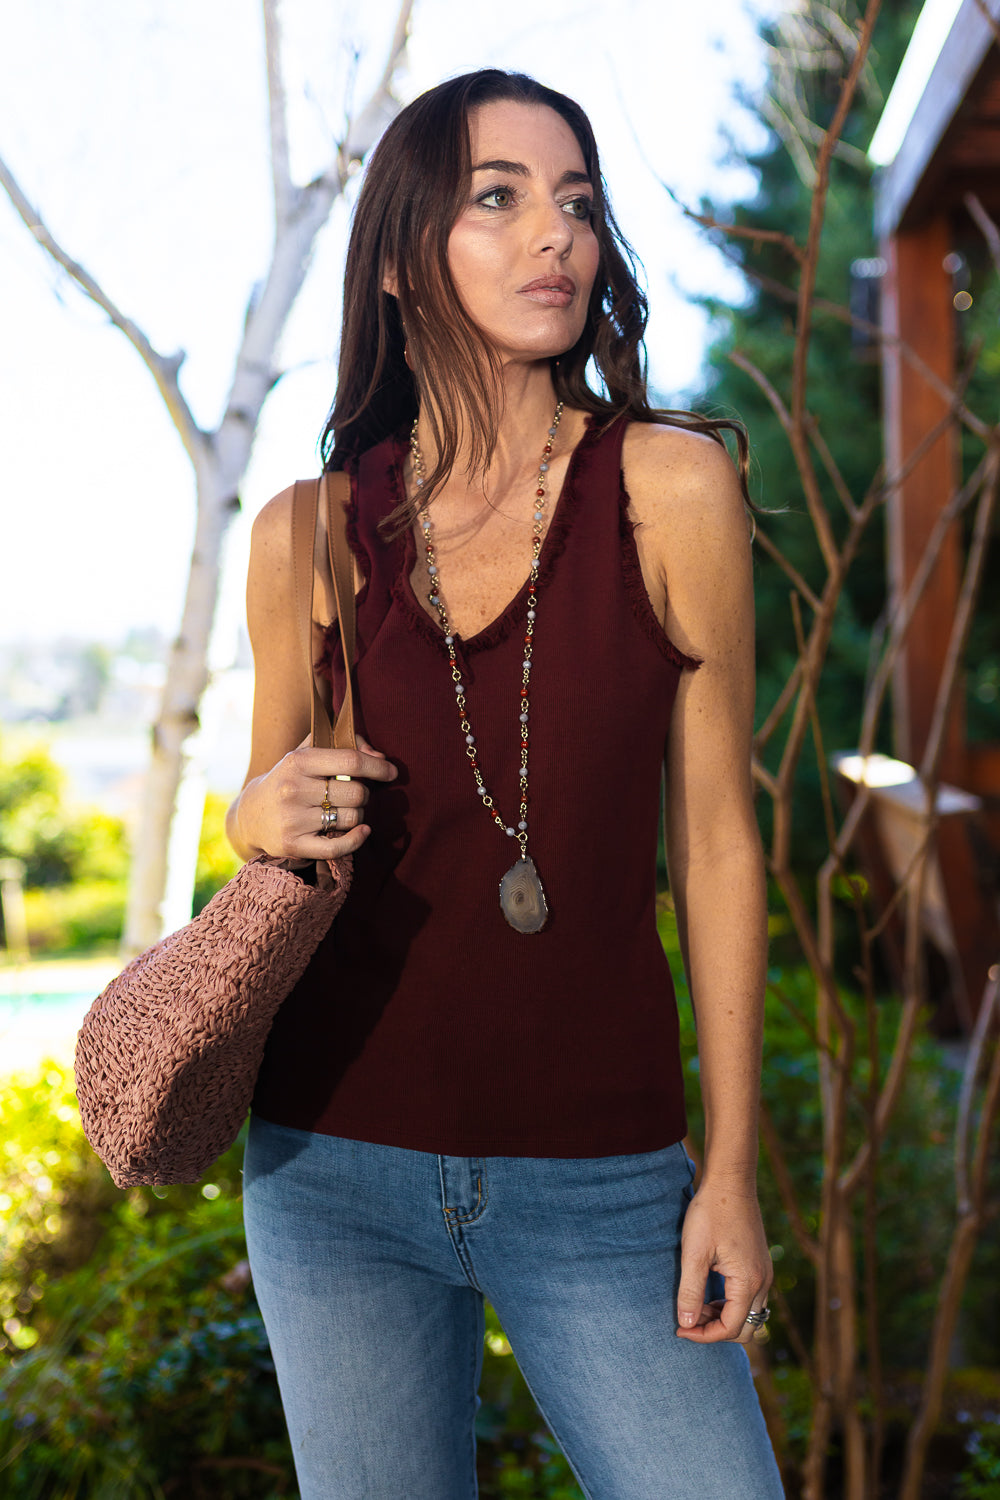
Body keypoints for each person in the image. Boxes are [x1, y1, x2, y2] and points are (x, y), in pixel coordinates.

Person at [226, 67, 783, 1500]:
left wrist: (730, 1171)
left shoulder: (668, 490)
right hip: (331, 1166)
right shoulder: (304, 534)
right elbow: (261, 823)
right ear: (402, 259)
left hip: (603, 1177)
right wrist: (253, 814)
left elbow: (718, 843)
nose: (557, 235)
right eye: (500, 197)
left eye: (578, 203)